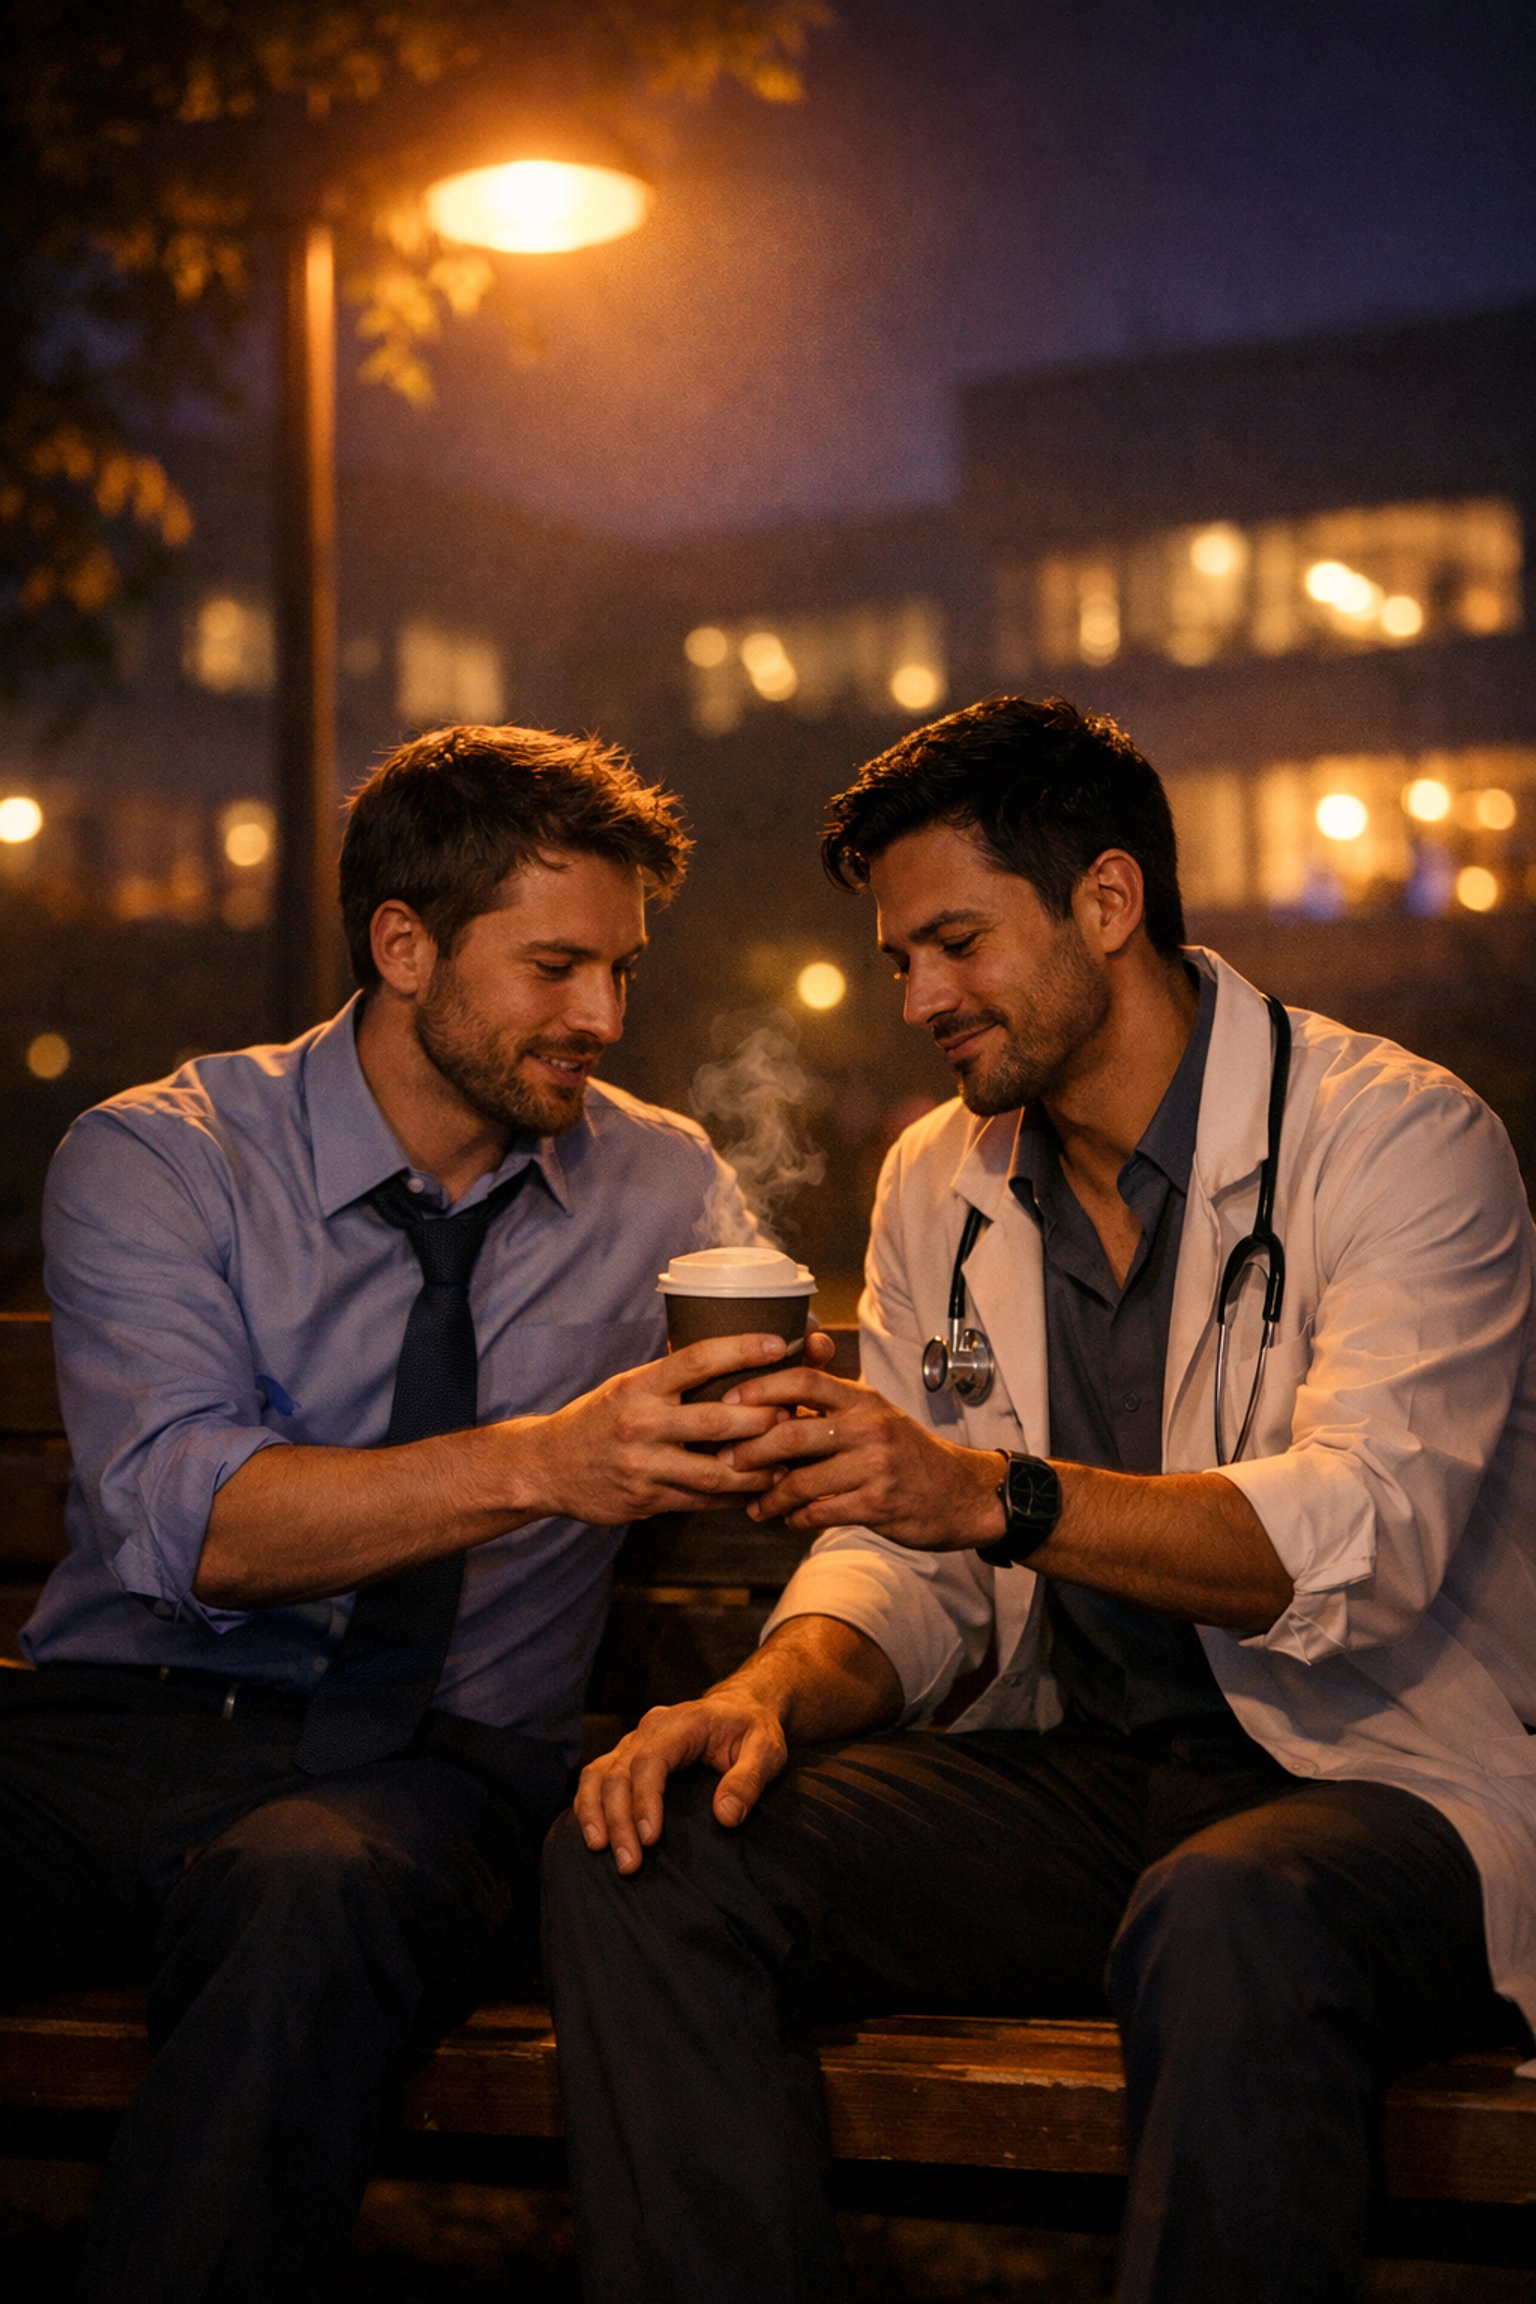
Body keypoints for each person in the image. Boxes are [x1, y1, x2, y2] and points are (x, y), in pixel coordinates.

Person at [546, 694, 1536, 2304]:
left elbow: (1367, 1542)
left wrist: (990, 1492)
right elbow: (912, 1554)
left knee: (1227, 1917)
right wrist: (764, 1700)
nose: (924, 998)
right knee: (652, 1848)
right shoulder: (945, 1173)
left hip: (1377, 1783)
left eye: (957, 943)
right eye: (899, 962)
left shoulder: (1397, 1141)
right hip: (1084, 1784)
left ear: (1108, 900)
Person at [0, 722, 798, 2304]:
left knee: (312, 1892)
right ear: (403, 944)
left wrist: (788, 1425)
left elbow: (767, 1428)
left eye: (623, 972)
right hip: (116, 1731)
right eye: (558, 967)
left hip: (432, 1775)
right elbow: (190, 1524)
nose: (603, 1016)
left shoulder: (663, 1185)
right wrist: (546, 1463)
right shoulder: (164, 1159)